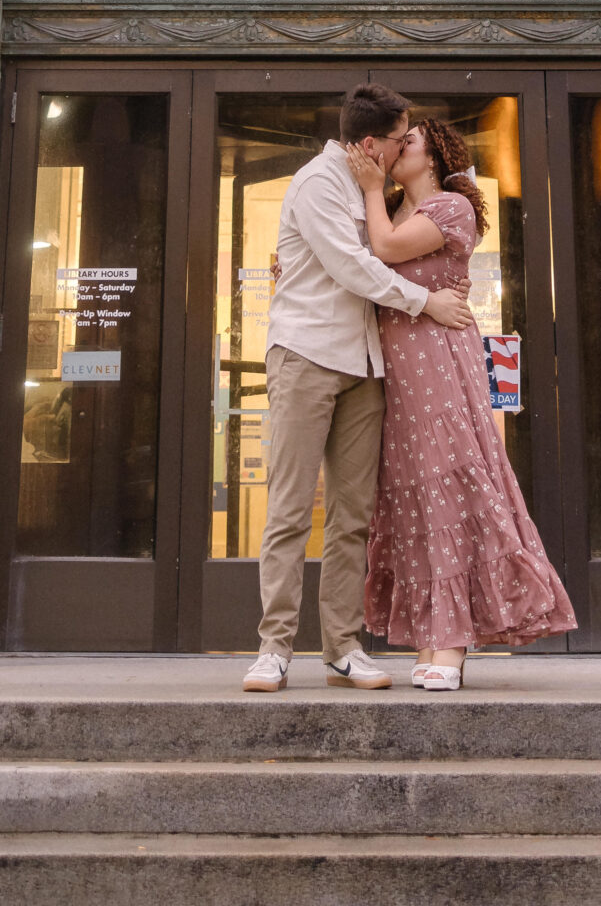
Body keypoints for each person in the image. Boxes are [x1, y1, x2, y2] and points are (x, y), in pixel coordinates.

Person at [242, 84, 476, 693]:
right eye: (400, 139)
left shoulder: (388, 196)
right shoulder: (318, 182)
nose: (404, 150)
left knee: (352, 518)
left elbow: (403, 247)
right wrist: (426, 300)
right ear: (371, 142)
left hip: (368, 369)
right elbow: (354, 266)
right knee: (291, 509)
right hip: (307, 356)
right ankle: (274, 649)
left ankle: (342, 648)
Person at [347, 117, 576, 689]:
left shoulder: (451, 207)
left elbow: (385, 250)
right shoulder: (392, 206)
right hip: (391, 369)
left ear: (434, 156)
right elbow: (358, 265)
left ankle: (451, 641)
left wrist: (372, 189)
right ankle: (431, 633)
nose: (400, 150)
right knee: (414, 496)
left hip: (438, 359)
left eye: (411, 142)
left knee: (448, 484)